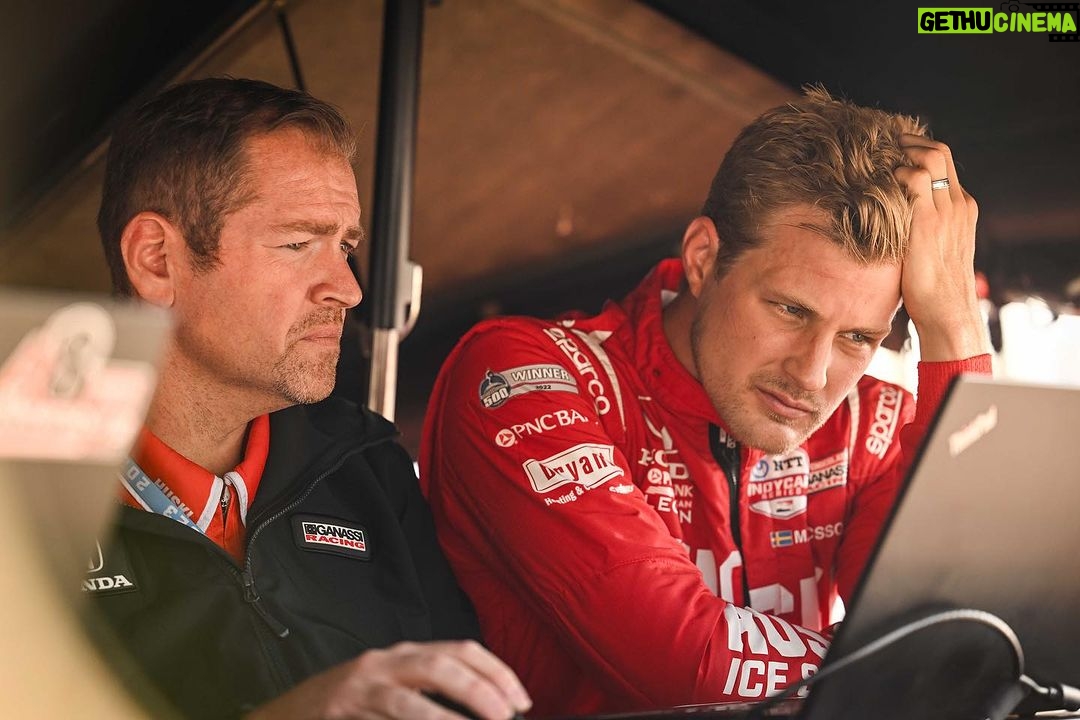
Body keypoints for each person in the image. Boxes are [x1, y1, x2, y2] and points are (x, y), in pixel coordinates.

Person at [419, 87, 991, 716]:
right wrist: (915, 668)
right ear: (703, 258)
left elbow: (988, 637)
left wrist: (956, 330)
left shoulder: (871, 423)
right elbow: (684, 664)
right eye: (790, 309)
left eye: (858, 337)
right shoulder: (526, 376)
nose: (812, 374)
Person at [87, 77, 531, 720]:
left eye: (345, 246)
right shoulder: (24, 494)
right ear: (157, 260)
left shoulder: (366, 464)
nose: (348, 289)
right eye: (298, 244)